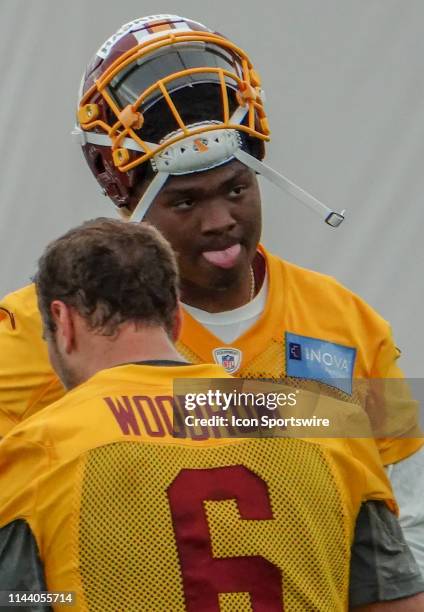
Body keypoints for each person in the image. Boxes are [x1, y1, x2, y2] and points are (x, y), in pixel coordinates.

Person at [0, 13, 422, 568]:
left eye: (236, 188)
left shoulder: (345, 322)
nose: (221, 220)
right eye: (185, 201)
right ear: (133, 205)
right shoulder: (43, 326)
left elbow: (408, 516)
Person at [0, 217, 423, 610]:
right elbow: (395, 600)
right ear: (178, 318)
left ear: (63, 322)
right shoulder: (324, 417)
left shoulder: (37, 450)